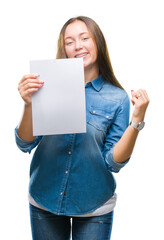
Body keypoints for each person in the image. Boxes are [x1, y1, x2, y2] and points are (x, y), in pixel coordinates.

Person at [15, 16, 149, 240]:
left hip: (94, 205)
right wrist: (29, 105)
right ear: (64, 48)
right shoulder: (45, 85)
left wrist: (136, 122)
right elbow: (24, 143)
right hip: (44, 199)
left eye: (84, 38)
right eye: (69, 41)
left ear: (97, 42)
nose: (78, 46)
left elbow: (113, 162)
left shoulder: (117, 98)